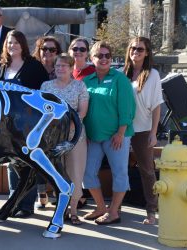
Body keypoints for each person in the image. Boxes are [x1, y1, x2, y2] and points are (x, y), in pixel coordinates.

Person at [0, 30, 49, 218]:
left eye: (15, 43)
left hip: (27, 125)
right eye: (9, 43)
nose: (12, 46)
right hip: (4, 125)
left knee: (27, 163)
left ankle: (26, 206)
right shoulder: (0, 66)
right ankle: (13, 203)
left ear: (23, 45)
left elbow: (43, 94)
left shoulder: (34, 67)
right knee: (10, 163)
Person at [82, 41, 136, 225]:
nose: (103, 59)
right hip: (93, 137)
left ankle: (113, 212)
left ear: (111, 59)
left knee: (119, 173)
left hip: (116, 136)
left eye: (107, 55)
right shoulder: (85, 81)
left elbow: (127, 109)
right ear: (92, 58)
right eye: (99, 55)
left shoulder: (120, 79)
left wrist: (121, 132)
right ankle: (100, 208)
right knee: (87, 173)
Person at [40, 54, 89, 225]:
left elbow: (82, 111)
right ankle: (61, 208)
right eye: (58, 65)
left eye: (64, 66)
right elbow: (42, 110)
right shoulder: (46, 86)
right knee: (57, 172)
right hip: (53, 137)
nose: (61, 69)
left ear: (71, 67)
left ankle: (74, 209)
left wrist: (71, 126)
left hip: (75, 136)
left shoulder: (79, 86)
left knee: (75, 173)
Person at [123, 37, 163, 225]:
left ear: (147, 53)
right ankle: (115, 208)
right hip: (122, 129)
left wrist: (153, 133)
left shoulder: (152, 74)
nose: (135, 52)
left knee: (147, 170)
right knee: (119, 169)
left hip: (143, 130)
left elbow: (156, 106)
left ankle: (151, 211)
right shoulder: (121, 74)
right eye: (133, 48)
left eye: (140, 49)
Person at [31, 36, 62, 209]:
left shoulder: (61, 68)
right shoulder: (33, 68)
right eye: (44, 49)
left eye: (52, 49)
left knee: (56, 159)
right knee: (38, 157)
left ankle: (58, 193)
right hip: (36, 121)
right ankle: (41, 193)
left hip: (57, 121)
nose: (48, 52)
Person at [68, 37, 95, 208]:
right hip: (71, 128)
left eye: (82, 49)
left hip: (92, 125)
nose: (78, 52)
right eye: (75, 48)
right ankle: (76, 198)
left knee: (86, 167)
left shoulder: (93, 71)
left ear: (87, 53)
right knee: (72, 166)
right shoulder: (65, 71)